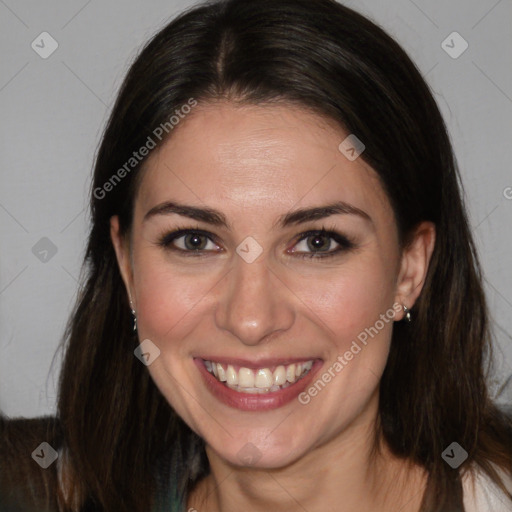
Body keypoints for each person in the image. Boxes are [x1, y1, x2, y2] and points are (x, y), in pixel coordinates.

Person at [1, 0, 511, 510]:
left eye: (317, 242)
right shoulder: (30, 490)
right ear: (128, 265)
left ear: (409, 269)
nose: (250, 319)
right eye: (194, 241)